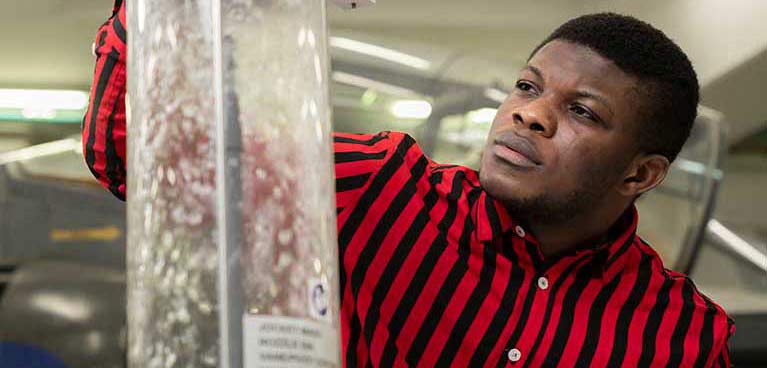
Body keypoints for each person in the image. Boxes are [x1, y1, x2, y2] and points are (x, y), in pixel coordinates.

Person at [83, 2, 733, 367]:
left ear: (640, 174)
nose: (528, 114)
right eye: (528, 87)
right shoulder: (385, 189)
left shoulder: (681, 336)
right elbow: (138, 153)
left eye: (582, 112)